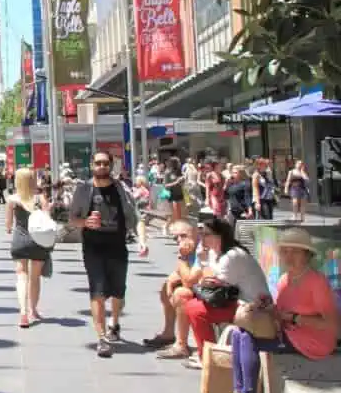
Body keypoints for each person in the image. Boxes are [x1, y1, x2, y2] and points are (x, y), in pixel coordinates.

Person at [220, 227, 339, 393]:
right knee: (238, 333)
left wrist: (295, 318)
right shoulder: (284, 279)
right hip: (290, 333)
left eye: (295, 251)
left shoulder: (317, 282)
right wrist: (266, 307)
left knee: (248, 339)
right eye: (285, 251)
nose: (288, 256)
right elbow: (280, 313)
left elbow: (332, 325)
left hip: (313, 341)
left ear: (307, 255)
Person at [68, 150, 148, 357]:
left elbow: (136, 217)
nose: (102, 167)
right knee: (98, 291)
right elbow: (72, 219)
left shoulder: (121, 188)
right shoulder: (84, 190)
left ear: (111, 166)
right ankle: (102, 338)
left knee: (118, 290)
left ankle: (115, 323)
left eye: (106, 163)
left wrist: (142, 241)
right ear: (91, 165)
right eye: (98, 163)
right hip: (93, 247)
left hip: (118, 246)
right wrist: (85, 222)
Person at [161, 215, 268, 366]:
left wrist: (193, 265)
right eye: (201, 234)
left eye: (206, 234)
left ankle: (207, 357)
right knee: (191, 304)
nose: (202, 238)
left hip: (250, 305)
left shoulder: (232, 256)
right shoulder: (211, 253)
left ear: (219, 236)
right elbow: (202, 280)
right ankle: (205, 353)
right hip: (233, 299)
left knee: (196, 309)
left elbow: (213, 283)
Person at [142, 219, 202, 350]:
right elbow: (178, 273)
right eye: (176, 237)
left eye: (184, 235)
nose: (180, 240)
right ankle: (168, 333)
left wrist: (182, 257)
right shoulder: (189, 249)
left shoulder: (201, 250)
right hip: (198, 286)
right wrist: (169, 283)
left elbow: (188, 282)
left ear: (196, 232)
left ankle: (182, 344)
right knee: (166, 288)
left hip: (212, 292)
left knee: (181, 294)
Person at [6, 167, 51, 328]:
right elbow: (47, 219)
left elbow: (8, 225)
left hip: (20, 240)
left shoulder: (12, 199)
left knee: (21, 276)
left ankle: (23, 313)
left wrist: (12, 227)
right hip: (38, 241)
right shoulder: (40, 198)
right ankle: (33, 310)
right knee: (35, 277)